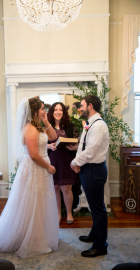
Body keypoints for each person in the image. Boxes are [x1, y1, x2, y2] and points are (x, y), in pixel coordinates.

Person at [0, 98, 59, 259]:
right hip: (36, 169)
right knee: (33, 203)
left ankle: (37, 235)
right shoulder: (30, 129)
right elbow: (34, 155)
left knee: (40, 203)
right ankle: (31, 239)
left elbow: (53, 136)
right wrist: (48, 167)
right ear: (34, 111)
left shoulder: (38, 126)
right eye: (42, 109)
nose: (44, 111)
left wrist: (46, 121)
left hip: (40, 170)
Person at [70, 95, 109, 258]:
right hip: (88, 169)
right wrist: (79, 162)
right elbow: (84, 146)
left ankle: (100, 245)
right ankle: (94, 234)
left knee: (98, 209)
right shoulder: (90, 124)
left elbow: (91, 151)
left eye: (83, 105)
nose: (80, 108)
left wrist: (74, 162)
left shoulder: (98, 126)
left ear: (90, 106)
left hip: (94, 170)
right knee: (95, 206)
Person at [47, 102, 79, 224]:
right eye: (56, 109)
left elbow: (78, 142)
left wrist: (73, 146)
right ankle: (58, 214)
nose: (58, 112)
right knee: (55, 188)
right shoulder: (46, 126)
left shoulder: (71, 126)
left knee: (66, 188)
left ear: (64, 112)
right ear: (52, 112)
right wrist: (49, 146)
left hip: (67, 160)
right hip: (52, 161)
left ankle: (69, 213)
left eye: (60, 110)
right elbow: (40, 144)